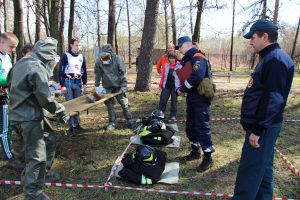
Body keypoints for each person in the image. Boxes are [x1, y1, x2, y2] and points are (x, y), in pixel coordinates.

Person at [233, 19, 294, 200]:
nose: (251, 42)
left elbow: (273, 100)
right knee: (264, 169)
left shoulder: (275, 60)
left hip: (262, 128)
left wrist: (258, 129)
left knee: (249, 172)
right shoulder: (270, 58)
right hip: (264, 126)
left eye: (253, 37)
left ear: (264, 36)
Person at [8, 37, 69, 200]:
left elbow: (10, 84)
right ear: (48, 54)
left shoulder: (20, 63)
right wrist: (61, 110)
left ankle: (42, 173)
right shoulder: (37, 67)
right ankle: (32, 192)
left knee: (48, 136)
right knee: (36, 155)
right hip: (29, 117)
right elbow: (45, 98)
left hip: (16, 114)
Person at [175, 36, 215, 172]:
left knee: (202, 125)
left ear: (188, 44)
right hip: (192, 96)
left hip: (200, 97)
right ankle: (195, 150)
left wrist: (181, 89)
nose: (179, 49)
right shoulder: (188, 59)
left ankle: (208, 157)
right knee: (191, 124)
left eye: (180, 46)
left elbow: (197, 77)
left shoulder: (198, 57)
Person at [94, 44, 133, 131]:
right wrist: (96, 86)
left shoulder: (118, 59)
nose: (104, 57)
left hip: (118, 86)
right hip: (107, 86)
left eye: (106, 55)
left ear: (110, 54)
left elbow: (123, 73)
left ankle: (130, 120)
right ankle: (112, 122)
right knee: (110, 105)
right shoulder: (99, 61)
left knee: (124, 104)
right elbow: (98, 74)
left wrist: (123, 86)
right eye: (102, 56)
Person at [0, 32, 22, 169]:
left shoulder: (7, 57)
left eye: (15, 47)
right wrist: (11, 81)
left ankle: (7, 151)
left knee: (6, 127)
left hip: (6, 95)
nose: (13, 50)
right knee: (5, 128)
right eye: (11, 46)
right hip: (1, 98)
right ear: (1, 42)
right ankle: (10, 157)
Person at [59, 37, 87, 137]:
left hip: (78, 82)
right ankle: (71, 127)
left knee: (78, 104)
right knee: (70, 104)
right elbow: (61, 71)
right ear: (71, 45)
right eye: (76, 45)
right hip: (68, 82)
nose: (78, 47)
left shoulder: (81, 56)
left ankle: (77, 124)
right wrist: (62, 86)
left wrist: (85, 84)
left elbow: (84, 70)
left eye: (79, 45)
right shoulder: (65, 56)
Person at [158, 53, 181, 120]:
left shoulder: (179, 66)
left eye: (173, 58)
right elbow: (163, 76)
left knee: (174, 101)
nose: (171, 60)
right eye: (170, 58)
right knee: (163, 100)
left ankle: (173, 115)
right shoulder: (166, 65)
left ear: (175, 59)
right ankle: (160, 114)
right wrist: (160, 85)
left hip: (175, 87)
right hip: (166, 86)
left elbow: (182, 77)